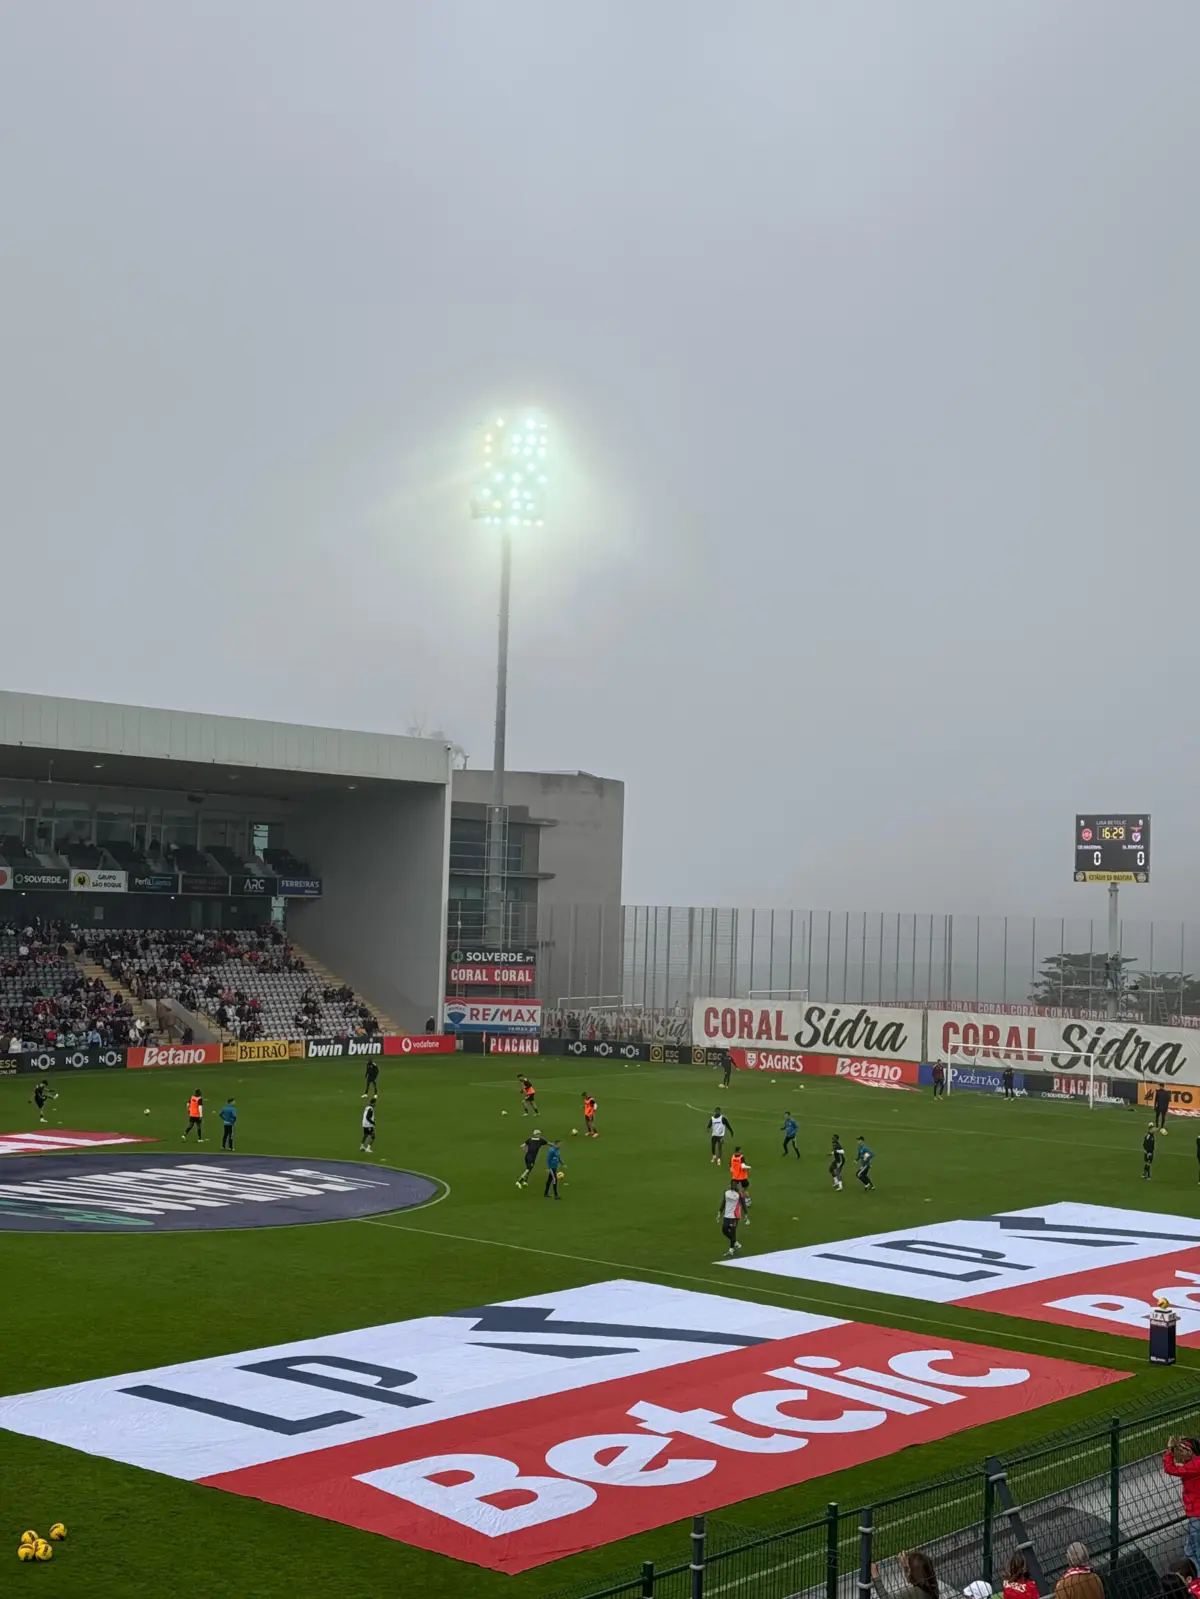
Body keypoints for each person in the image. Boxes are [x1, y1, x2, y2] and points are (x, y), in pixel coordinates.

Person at [1165, 1438, 1200, 1569]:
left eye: (1182, 1450)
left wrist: (1169, 1451)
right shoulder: (1194, 1464)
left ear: (1191, 1452)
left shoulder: (1194, 1466)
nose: (1179, 1453)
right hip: (1195, 1515)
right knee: (1190, 1551)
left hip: (1197, 1515)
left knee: (1196, 1552)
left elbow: (1170, 1469)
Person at [872, 1547, 939, 1599]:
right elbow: (916, 1578)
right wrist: (905, 1567)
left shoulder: (914, 1592)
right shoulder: (932, 1583)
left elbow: (886, 1598)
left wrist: (875, 1575)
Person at [718, 1186, 743, 1257]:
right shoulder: (728, 1194)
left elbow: (742, 1204)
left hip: (735, 1216)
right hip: (728, 1215)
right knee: (724, 1230)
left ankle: (731, 1250)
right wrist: (720, 1211)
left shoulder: (738, 1195)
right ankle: (735, 1242)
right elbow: (724, 1202)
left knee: (732, 1231)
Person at [730, 1147, 752, 1223]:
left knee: (734, 1189)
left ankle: (734, 1201)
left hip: (735, 1177)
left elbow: (731, 1168)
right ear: (738, 1151)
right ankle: (748, 1200)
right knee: (745, 1189)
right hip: (742, 1177)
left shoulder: (732, 1157)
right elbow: (743, 1166)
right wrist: (749, 1167)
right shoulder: (741, 1157)